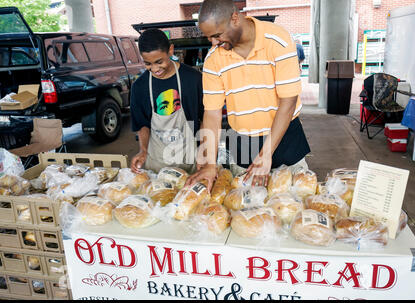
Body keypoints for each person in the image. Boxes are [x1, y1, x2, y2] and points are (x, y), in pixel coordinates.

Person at [186, 0, 311, 190]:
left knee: (293, 202)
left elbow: (288, 101)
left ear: (235, 18)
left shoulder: (278, 39)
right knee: (246, 208)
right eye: (209, 37)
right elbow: (212, 113)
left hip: (285, 137)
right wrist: (210, 163)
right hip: (243, 142)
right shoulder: (213, 59)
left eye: (217, 35)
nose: (213, 42)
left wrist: (266, 153)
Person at [130, 28, 204, 174]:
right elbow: (142, 124)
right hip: (158, 163)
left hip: (190, 159)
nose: (155, 69)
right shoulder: (139, 87)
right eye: (148, 64)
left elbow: (204, 118)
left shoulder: (193, 79)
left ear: (170, 50)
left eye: (159, 62)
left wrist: (204, 151)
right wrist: (143, 150)